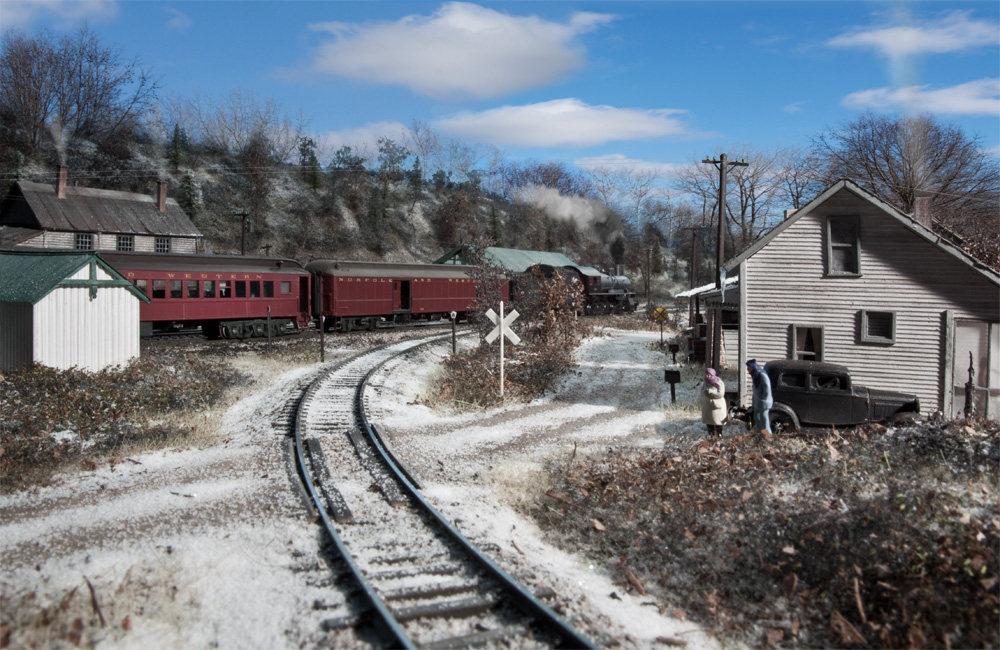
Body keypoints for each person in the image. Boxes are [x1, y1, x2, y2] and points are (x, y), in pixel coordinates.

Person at [746, 359, 773, 439]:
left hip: (764, 402)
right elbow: (755, 391)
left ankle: (768, 437)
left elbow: (767, 388)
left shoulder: (762, 375)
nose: (748, 370)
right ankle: (759, 435)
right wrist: (754, 402)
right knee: (757, 419)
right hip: (757, 402)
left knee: (764, 421)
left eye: (749, 368)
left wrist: (763, 399)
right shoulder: (755, 376)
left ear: (753, 367)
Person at [701, 368, 726, 436]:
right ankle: (711, 436)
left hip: (717, 406)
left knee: (718, 422)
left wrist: (710, 392)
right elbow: (702, 391)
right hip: (708, 406)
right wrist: (705, 392)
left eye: (709, 375)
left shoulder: (718, 382)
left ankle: (719, 436)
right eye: (707, 374)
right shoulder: (705, 383)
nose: (708, 376)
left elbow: (720, 393)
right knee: (709, 422)